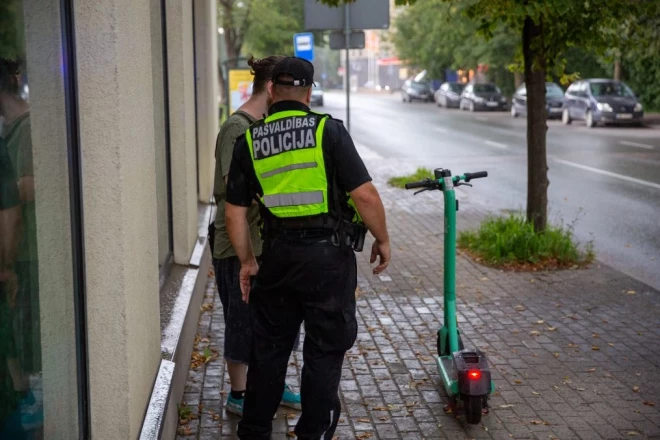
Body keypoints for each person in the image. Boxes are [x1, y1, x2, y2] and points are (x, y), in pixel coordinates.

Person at [225, 56, 391, 440]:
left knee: (268, 353)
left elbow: (234, 214)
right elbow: (364, 195)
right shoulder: (327, 132)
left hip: (278, 259)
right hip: (327, 261)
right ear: (309, 92)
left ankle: (253, 431)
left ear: (271, 90)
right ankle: (312, 433)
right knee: (324, 351)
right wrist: (382, 239)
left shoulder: (249, 139)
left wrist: (248, 262)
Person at [211, 55, 301, 417]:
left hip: (265, 243)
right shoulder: (237, 128)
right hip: (237, 244)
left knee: (272, 321)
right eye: (283, 90)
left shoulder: (264, 124)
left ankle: (272, 385)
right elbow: (239, 191)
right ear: (270, 88)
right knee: (242, 320)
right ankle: (240, 394)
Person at [0, 57, 42, 435]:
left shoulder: (27, 126)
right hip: (15, 247)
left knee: (24, 329)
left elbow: (31, 185)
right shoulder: (9, 127)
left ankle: (34, 399)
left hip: (26, 248)